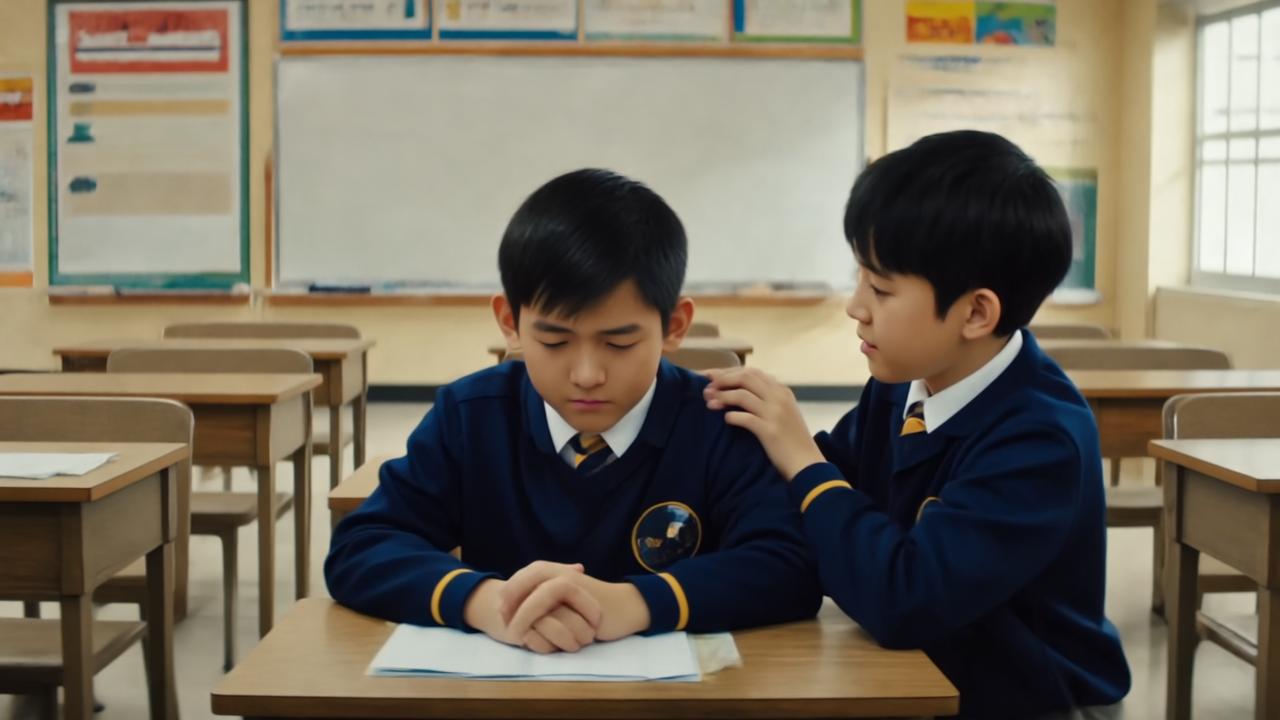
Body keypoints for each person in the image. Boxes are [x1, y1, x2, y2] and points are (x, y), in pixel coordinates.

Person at [703, 131, 1131, 720]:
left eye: (880, 288)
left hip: (1038, 699)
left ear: (976, 312)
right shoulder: (904, 384)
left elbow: (905, 598)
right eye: (859, 276)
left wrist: (801, 459)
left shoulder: (1040, 438)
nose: (855, 306)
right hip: (940, 669)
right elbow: (815, 496)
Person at [326, 168, 821, 654]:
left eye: (619, 343)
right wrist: (488, 602)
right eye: (555, 341)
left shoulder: (718, 423)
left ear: (674, 326)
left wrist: (633, 604)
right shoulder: (470, 416)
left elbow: (790, 567)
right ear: (510, 322)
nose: (587, 374)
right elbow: (362, 546)